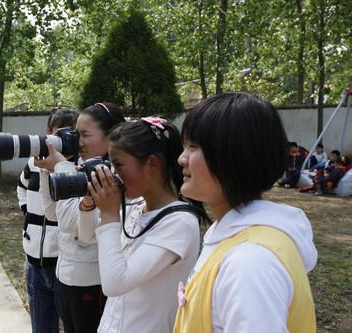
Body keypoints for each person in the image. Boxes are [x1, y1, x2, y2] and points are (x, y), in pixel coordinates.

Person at [174, 93, 317, 333]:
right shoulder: (234, 237)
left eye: (194, 147)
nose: (181, 159)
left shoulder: (249, 261)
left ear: (234, 156)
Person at [85, 117, 207, 333]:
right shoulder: (135, 207)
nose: (114, 175)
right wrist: (87, 205)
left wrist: (109, 214)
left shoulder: (179, 222)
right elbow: (86, 236)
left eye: (118, 165)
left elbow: (115, 284)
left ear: (152, 163)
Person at [35, 102, 125, 333]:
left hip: (92, 281)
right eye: (77, 134)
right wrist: (48, 171)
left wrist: (62, 167)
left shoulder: (111, 177)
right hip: (66, 276)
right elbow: (52, 213)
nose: (78, 142)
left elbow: (68, 223)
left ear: (111, 136)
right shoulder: (81, 165)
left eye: (85, 135)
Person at [17, 108, 78, 333]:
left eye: (70, 134)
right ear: (47, 134)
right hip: (33, 262)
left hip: (61, 262)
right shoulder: (33, 164)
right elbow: (21, 187)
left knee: (71, 324)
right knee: (41, 327)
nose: (62, 141)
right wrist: (28, 214)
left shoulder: (76, 169)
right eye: (57, 134)